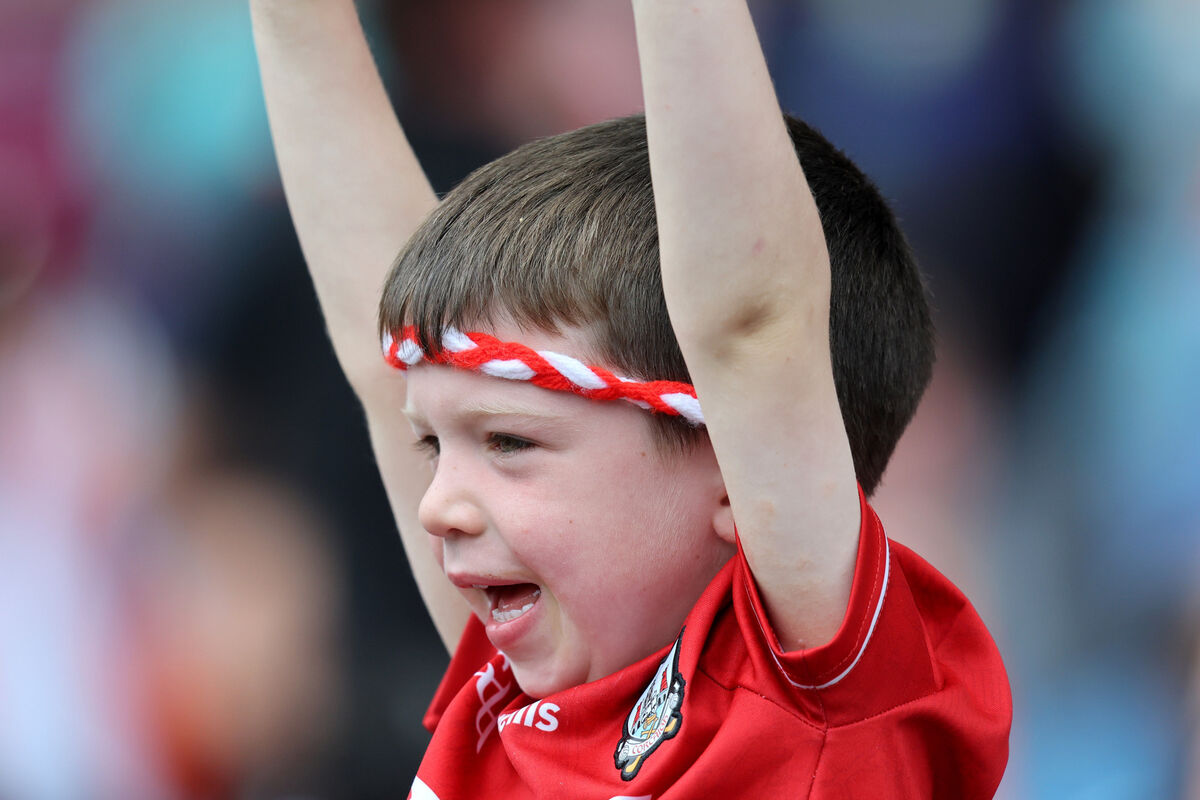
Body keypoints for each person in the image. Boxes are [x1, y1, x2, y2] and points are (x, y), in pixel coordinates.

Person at [250, 1, 1011, 797]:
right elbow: (381, 361)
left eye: (509, 442)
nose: (436, 506)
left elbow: (749, 326)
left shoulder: (820, 707)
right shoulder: (505, 702)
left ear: (734, 472)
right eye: (434, 448)